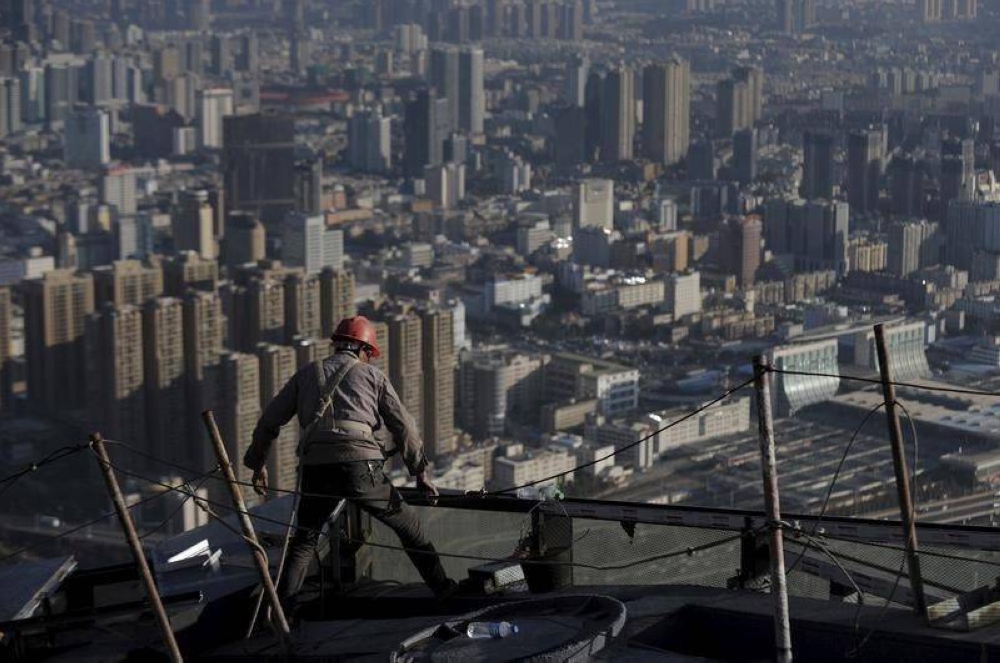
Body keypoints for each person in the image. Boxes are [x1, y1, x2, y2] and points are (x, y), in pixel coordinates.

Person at [243, 315, 454, 610]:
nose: (369, 359)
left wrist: (257, 463)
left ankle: (281, 612)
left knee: (305, 541)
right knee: (409, 528)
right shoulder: (372, 377)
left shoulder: (306, 375)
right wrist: (420, 472)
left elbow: (269, 421)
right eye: (369, 354)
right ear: (362, 349)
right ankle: (443, 590)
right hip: (360, 467)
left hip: (315, 468)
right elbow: (404, 426)